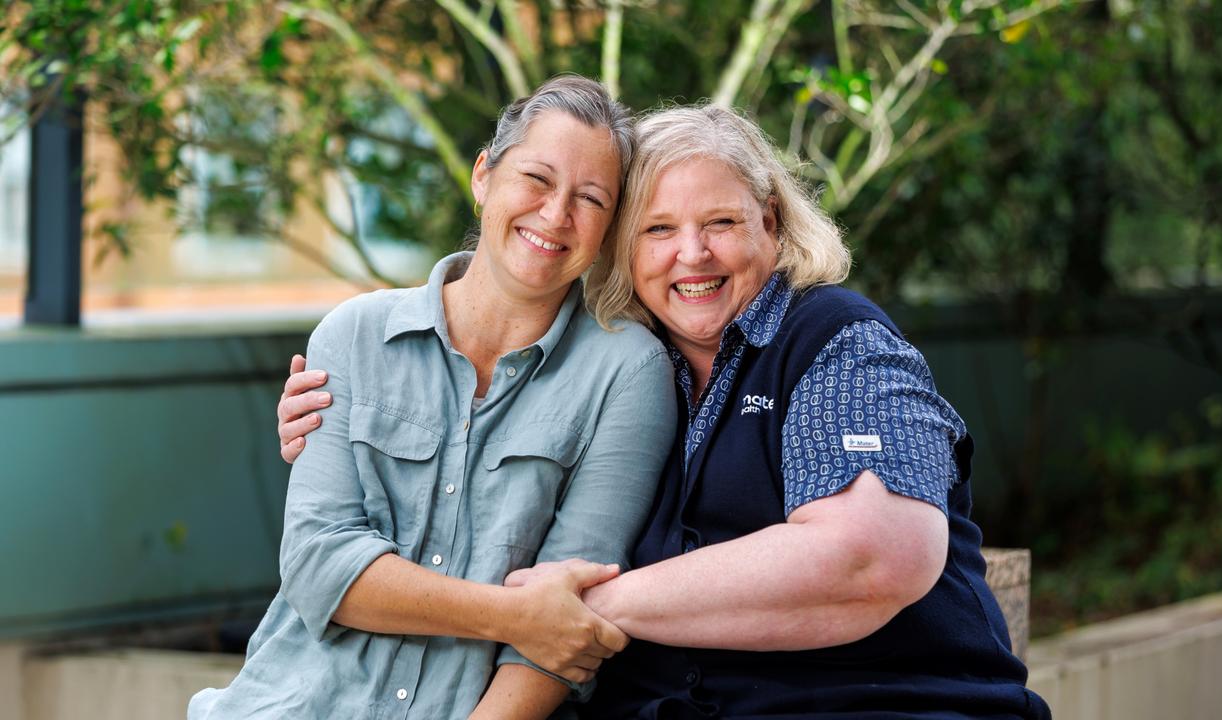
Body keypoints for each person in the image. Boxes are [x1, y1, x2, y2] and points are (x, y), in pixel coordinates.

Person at [280, 105, 1051, 718]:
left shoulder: (834, 344)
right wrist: (334, 429)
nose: (693, 254)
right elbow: (469, 472)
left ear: (771, 225)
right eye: (657, 230)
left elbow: (871, 557)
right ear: (621, 248)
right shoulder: (626, 375)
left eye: (720, 223)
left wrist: (583, 609)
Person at [190, 75, 677, 720]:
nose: (556, 214)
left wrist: (538, 624)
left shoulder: (626, 374)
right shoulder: (354, 335)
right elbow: (318, 565)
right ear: (483, 177)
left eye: (590, 198)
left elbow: (564, 630)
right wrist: (513, 613)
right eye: (536, 178)